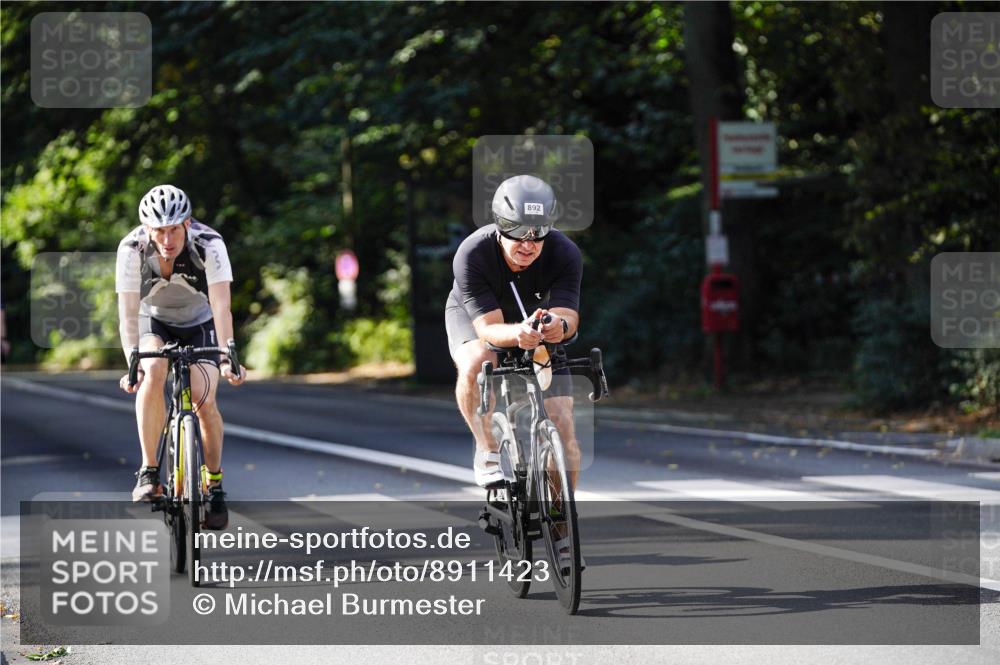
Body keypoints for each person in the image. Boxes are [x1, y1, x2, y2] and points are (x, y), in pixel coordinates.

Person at [115, 184, 245, 529]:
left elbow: (221, 305)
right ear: (147, 229)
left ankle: (214, 485)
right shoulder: (132, 249)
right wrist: (133, 361)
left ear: (187, 223)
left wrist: (229, 355)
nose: (167, 238)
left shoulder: (210, 245)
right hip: (152, 320)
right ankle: (149, 471)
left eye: (174, 228)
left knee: (204, 399)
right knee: (153, 369)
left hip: (200, 321)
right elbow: (128, 312)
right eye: (159, 230)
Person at [446, 174, 583, 488]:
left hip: (530, 317)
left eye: (538, 234)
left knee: (565, 432)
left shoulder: (565, 253)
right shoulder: (472, 254)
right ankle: (487, 450)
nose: (528, 244)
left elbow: (568, 318)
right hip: (477, 318)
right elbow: (489, 329)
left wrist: (556, 327)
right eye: (518, 231)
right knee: (477, 361)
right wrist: (517, 335)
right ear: (499, 225)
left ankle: (559, 522)